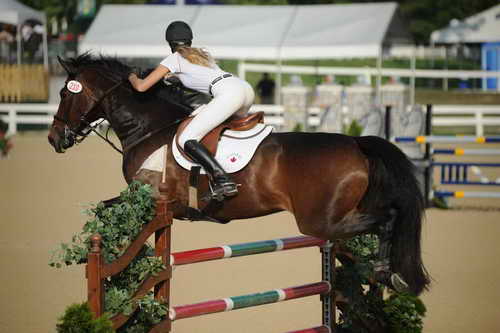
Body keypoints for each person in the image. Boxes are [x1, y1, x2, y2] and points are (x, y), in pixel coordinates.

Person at [128, 21, 254, 199]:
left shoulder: (173, 59)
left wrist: (131, 75)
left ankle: (222, 179)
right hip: (244, 88)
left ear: (170, 43)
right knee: (207, 120)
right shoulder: (202, 54)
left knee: (187, 137)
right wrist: (178, 79)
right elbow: (199, 77)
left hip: (229, 94)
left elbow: (141, 87)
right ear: (190, 40)